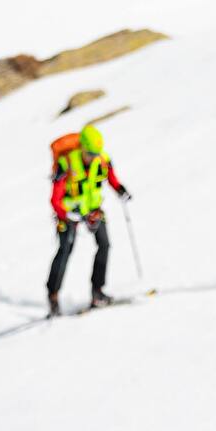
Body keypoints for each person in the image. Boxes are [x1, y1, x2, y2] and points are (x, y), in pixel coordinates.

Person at [47, 125, 131, 316]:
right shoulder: (66, 163)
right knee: (65, 251)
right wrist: (66, 214)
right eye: (90, 153)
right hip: (69, 214)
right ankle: (53, 295)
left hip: (93, 211)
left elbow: (111, 178)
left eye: (96, 153)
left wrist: (121, 190)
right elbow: (55, 199)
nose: (93, 157)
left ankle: (97, 292)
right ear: (82, 148)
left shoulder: (102, 160)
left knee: (104, 244)